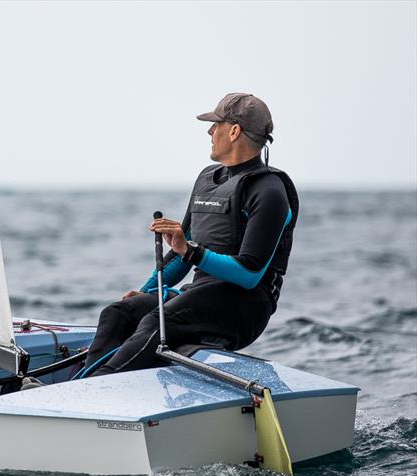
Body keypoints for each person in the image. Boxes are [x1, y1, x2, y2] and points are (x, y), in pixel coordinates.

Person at [81, 93, 299, 377]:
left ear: (234, 131)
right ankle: (85, 386)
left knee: (155, 322)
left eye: (216, 125)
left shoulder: (269, 191)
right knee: (119, 313)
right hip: (199, 295)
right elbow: (180, 251)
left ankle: (97, 386)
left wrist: (192, 251)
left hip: (243, 308)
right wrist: (148, 291)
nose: (210, 131)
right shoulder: (208, 179)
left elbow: (250, 273)